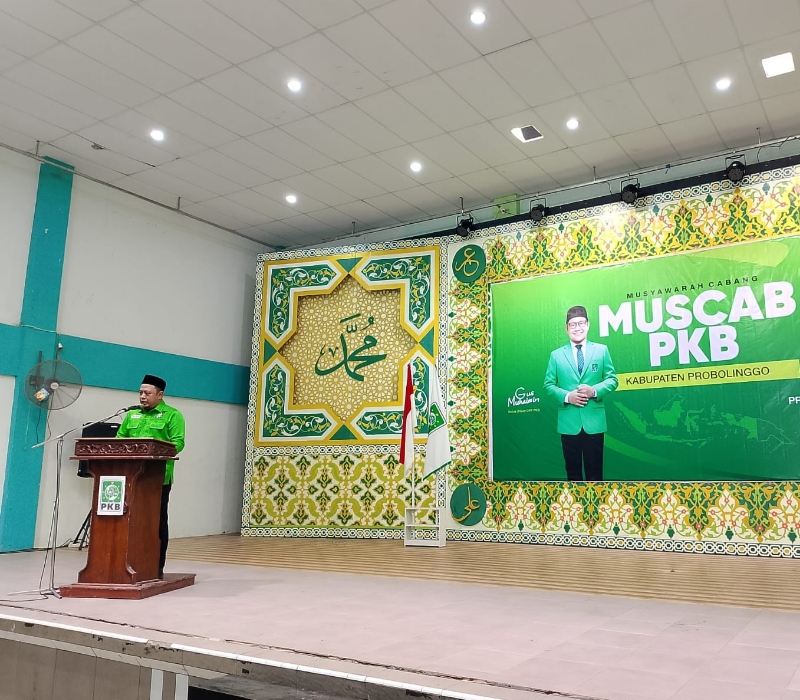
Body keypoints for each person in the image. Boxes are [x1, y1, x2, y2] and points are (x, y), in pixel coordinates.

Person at [115, 374, 185, 579]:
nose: (142, 397)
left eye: (147, 393)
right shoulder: (131, 415)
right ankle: (126, 564)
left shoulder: (172, 415)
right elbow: (119, 440)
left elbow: (178, 443)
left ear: (160, 395)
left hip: (157, 479)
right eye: (140, 393)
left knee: (156, 523)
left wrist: (155, 451)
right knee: (128, 520)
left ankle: (155, 566)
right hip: (129, 478)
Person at [543, 306, 617, 481]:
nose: (577, 327)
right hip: (569, 424)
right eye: (573, 324)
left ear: (588, 324)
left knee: (595, 475)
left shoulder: (601, 350)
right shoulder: (556, 356)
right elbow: (548, 385)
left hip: (594, 422)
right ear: (566, 328)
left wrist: (594, 391)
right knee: (573, 475)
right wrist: (568, 397)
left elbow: (612, 380)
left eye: (581, 323)